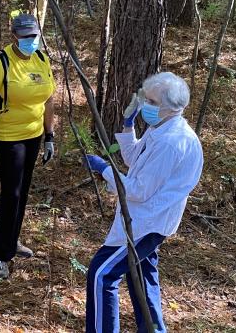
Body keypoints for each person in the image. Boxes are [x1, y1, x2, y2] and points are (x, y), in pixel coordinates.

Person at [83, 72, 203, 333]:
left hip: (147, 223)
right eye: (145, 99)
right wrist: (128, 126)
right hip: (147, 218)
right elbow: (134, 160)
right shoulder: (161, 127)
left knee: (102, 274)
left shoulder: (172, 142)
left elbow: (138, 190)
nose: (145, 105)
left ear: (171, 107)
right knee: (142, 275)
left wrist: (104, 169)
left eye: (151, 101)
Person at [0, 13, 56, 279]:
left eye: (34, 35)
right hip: (8, 136)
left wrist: (49, 135)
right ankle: (0, 255)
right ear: (14, 36)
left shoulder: (41, 59)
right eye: (25, 37)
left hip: (34, 134)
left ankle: (12, 240)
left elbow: (48, 100)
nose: (30, 40)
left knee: (22, 193)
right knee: (11, 193)